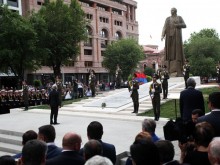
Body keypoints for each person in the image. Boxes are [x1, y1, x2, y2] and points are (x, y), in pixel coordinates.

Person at [161, 7, 186, 77]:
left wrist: (177, 25)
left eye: (173, 10)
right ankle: (170, 70)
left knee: (177, 52)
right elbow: (164, 27)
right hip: (169, 37)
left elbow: (184, 25)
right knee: (169, 53)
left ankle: (178, 70)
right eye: (171, 10)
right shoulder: (168, 19)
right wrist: (162, 35)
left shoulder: (179, 17)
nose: (171, 11)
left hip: (177, 37)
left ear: (175, 11)